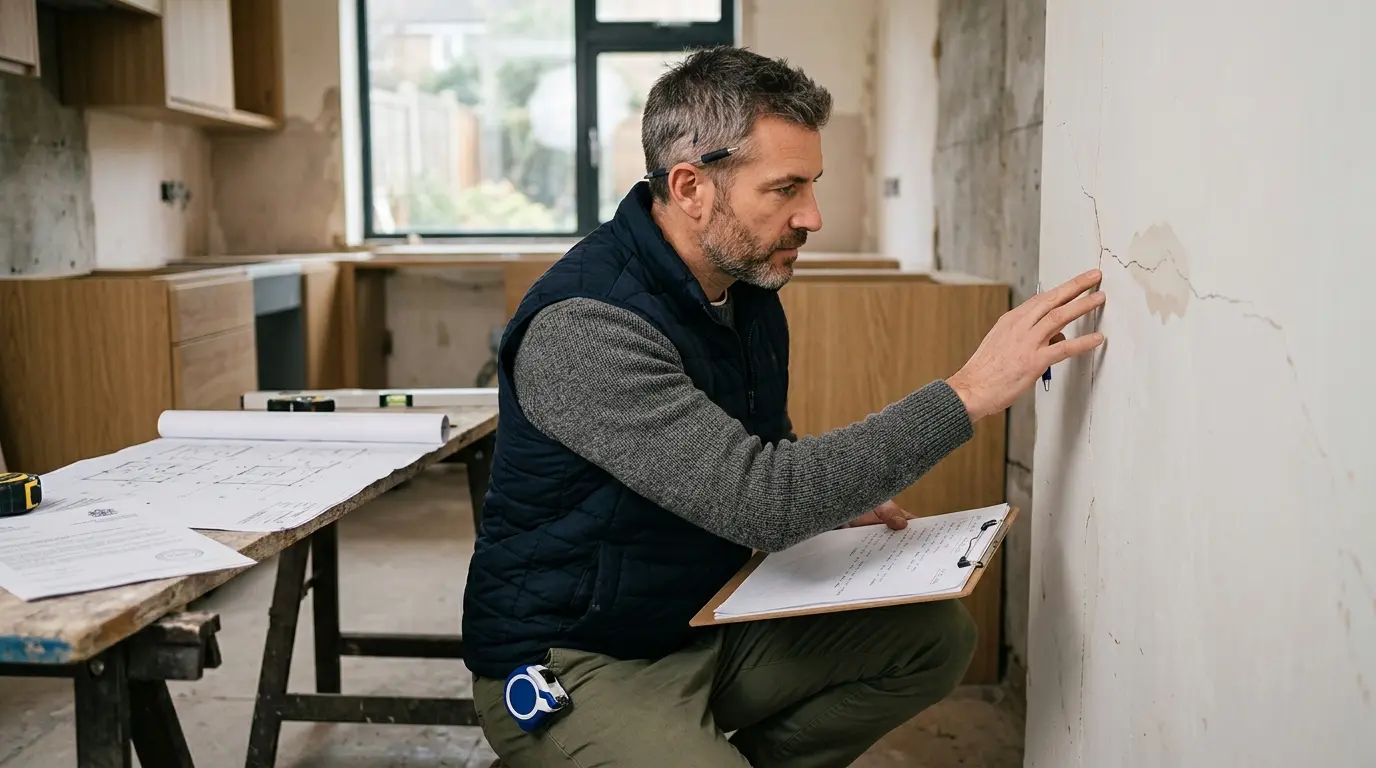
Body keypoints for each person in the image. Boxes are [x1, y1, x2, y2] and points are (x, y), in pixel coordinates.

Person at [461, 46, 1106, 767]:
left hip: (705, 615)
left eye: (814, 184)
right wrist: (968, 392)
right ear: (690, 187)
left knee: (934, 640)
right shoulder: (585, 326)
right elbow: (763, 500)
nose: (813, 216)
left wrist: (831, 504)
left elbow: (762, 457)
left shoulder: (748, 290)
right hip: (579, 653)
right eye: (786, 188)